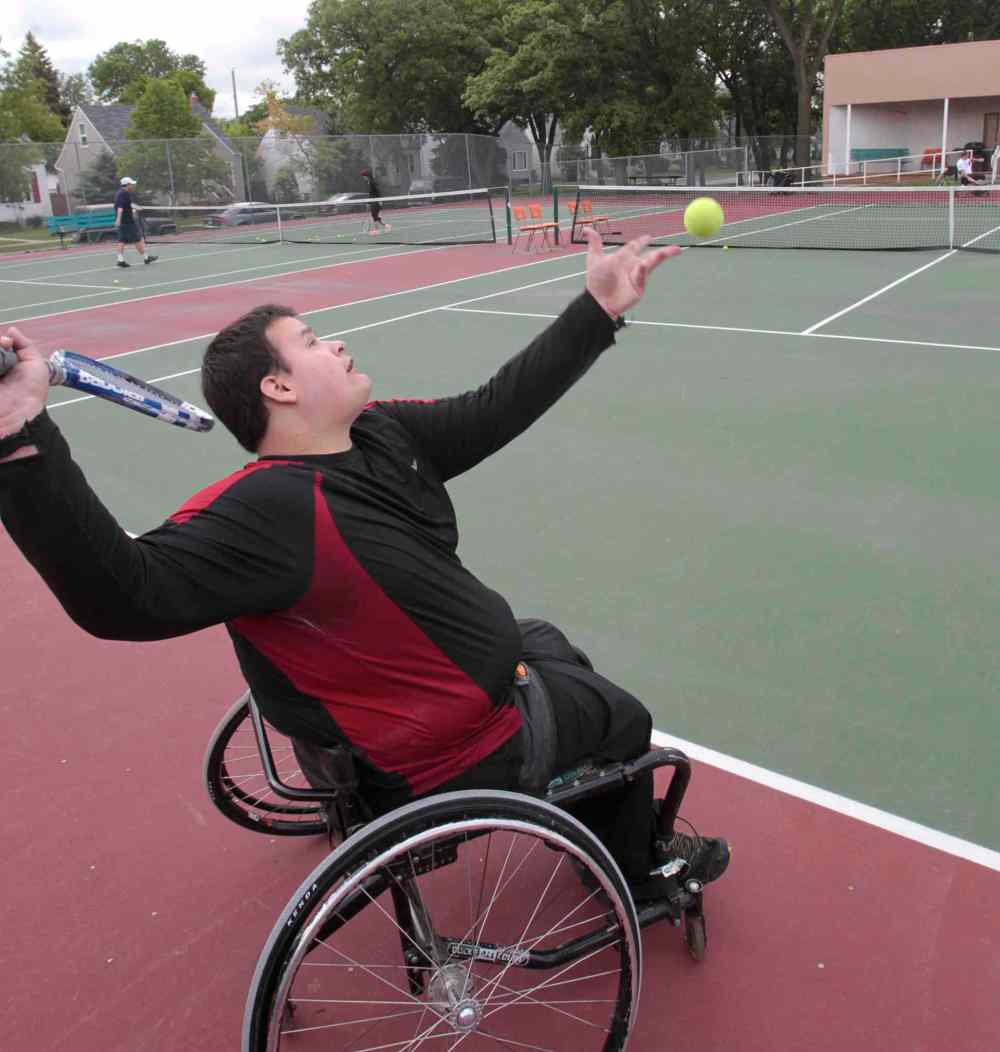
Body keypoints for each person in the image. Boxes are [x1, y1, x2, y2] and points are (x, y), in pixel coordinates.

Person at [0, 229, 729, 900]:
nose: (337, 344)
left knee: (548, 642)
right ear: (279, 387)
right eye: (312, 342)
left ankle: (594, 820)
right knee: (623, 718)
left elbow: (496, 408)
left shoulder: (379, 436)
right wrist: (16, 433)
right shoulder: (264, 510)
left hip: (443, 697)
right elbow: (122, 596)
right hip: (445, 753)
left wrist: (597, 309)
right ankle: (640, 875)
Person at [114, 176, 157, 268]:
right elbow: (120, 208)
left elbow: (128, 204)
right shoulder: (123, 194)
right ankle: (146, 258)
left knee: (122, 240)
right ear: (127, 185)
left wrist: (137, 207)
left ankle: (120, 260)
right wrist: (118, 220)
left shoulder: (123, 193)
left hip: (125, 221)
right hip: (127, 222)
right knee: (137, 239)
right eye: (131, 184)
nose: (133, 186)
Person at [360, 167, 391, 235]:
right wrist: (368, 203)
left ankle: (376, 231)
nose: (363, 178)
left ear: (367, 176)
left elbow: (378, 191)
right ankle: (387, 226)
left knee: (374, 216)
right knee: (376, 217)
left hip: (376, 201)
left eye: (364, 176)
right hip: (373, 201)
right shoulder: (369, 182)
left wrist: (379, 200)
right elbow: (371, 194)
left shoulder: (372, 182)